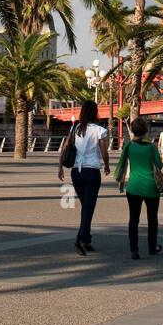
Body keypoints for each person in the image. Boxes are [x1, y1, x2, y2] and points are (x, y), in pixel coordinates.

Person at [57, 100, 110, 255]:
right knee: (88, 206)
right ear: (95, 112)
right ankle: (80, 238)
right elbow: (104, 151)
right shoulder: (99, 130)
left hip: (76, 172)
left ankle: (86, 239)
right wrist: (106, 165)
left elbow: (65, 147)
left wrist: (60, 167)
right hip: (92, 171)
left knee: (85, 205)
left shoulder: (75, 128)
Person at [115, 116, 163, 259]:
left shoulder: (129, 147)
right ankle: (152, 247)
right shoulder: (151, 147)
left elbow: (122, 163)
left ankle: (134, 250)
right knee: (152, 219)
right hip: (151, 187)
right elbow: (159, 165)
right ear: (145, 130)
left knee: (133, 219)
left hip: (134, 187)